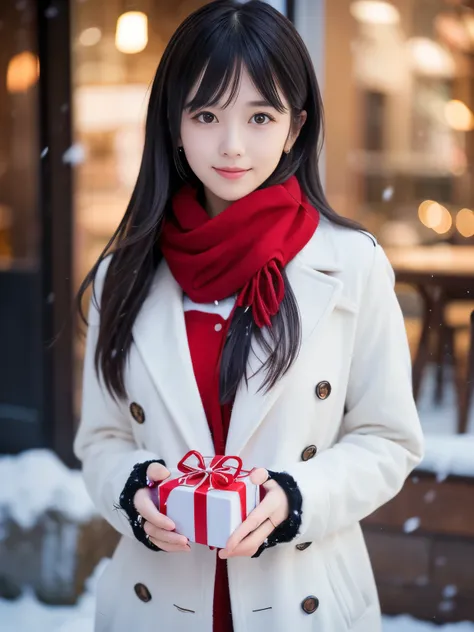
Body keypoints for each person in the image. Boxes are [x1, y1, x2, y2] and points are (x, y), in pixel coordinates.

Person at [73, 1, 424, 631]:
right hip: (154, 602)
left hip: (301, 596)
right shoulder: (122, 273)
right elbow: (100, 441)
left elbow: (389, 439)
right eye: (207, 114)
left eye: (260, 116)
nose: (232, 145)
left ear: (295, 127)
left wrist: (294, 500)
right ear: (174, 126)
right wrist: (135, 492)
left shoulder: (352, 265)